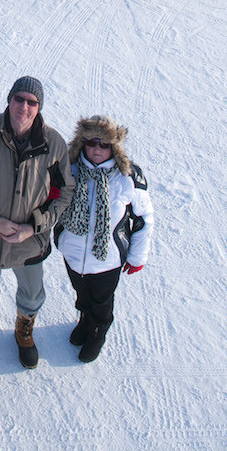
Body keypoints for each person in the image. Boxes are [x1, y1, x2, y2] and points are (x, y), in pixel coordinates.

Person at [0, 76, 74, 369]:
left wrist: (35, 226)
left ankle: (25, 329)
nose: (24, 107)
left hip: (30, 242)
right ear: (9, 99)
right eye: (19, 99)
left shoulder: (53, 143)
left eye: (32, 102)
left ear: (39, 107)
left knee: (32, 293)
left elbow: (64, 191)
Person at [55, 115, 154, 362]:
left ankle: (98, 331)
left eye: (104, 145)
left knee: (102, 300)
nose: (97, 149)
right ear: (82, 143)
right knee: (81, 292)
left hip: (108, 258)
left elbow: (144, 219)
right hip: (74, 253)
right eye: (91, 143)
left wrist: (137, 256)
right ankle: (84, 319)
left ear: (114, 147)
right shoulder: (70, 169)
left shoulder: (127, 177)